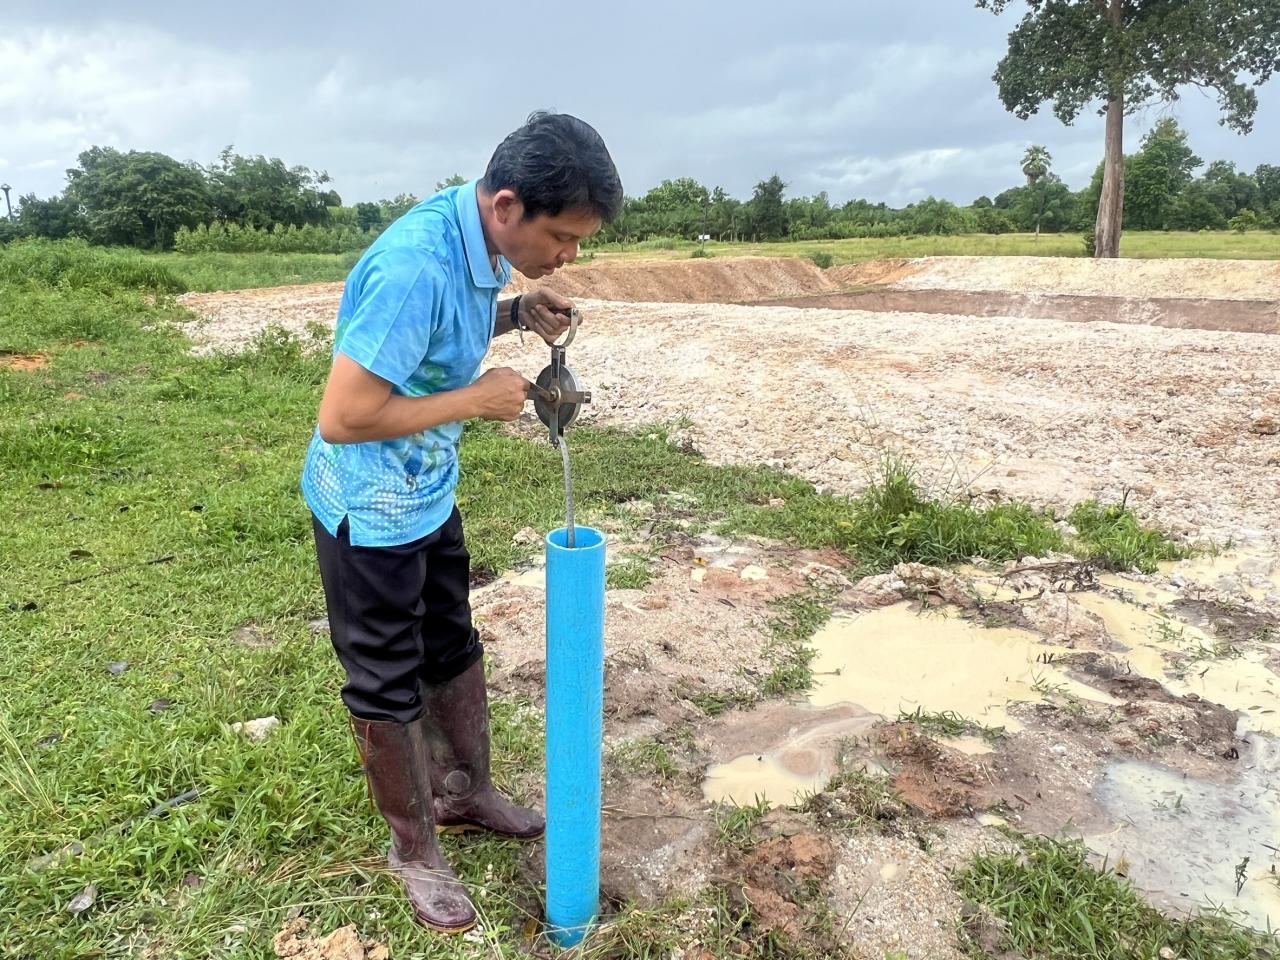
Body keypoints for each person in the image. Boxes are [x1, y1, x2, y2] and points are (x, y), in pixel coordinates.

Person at [300, 111, 623, 933]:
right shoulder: (415, 264)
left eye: (579, 242)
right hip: (369, 508)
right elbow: (344, 415)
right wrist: (475, 400)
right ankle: (414, 852)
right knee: (386, 674)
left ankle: (466, 791)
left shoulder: (476, 236)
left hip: (426, 488)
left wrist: (518, 313)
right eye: (561, 237)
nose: (568, 257)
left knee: (449, 639)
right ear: (509, 204)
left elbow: (443, 330)